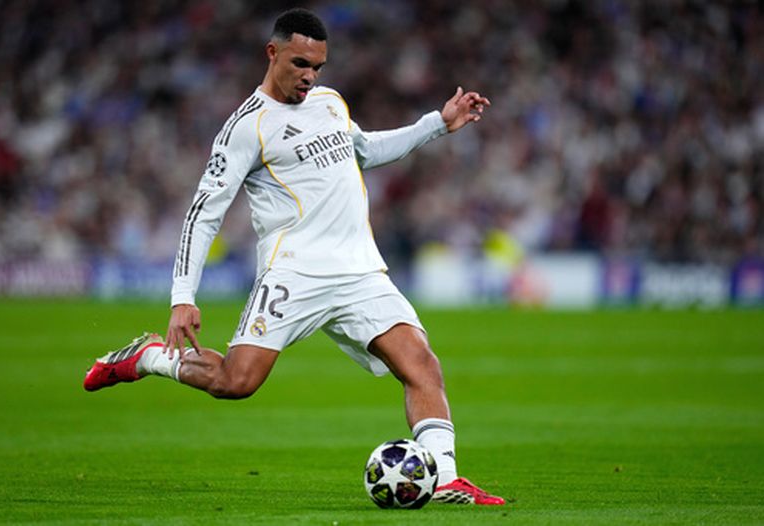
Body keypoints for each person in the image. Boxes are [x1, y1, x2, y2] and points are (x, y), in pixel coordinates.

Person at [84, 8, 503, 506]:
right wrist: (182, 297)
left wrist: (437, 123)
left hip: (359, 270)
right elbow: (203, 213)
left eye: (318, 67)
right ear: (272, 53)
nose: (310, 76)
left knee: (422, 364)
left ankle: (446, 479)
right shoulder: (246, 128)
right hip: (294, 274)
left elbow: (364, 151)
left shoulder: (328, 103)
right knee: (237, 382)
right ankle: (149, 356)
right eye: (301, 63)